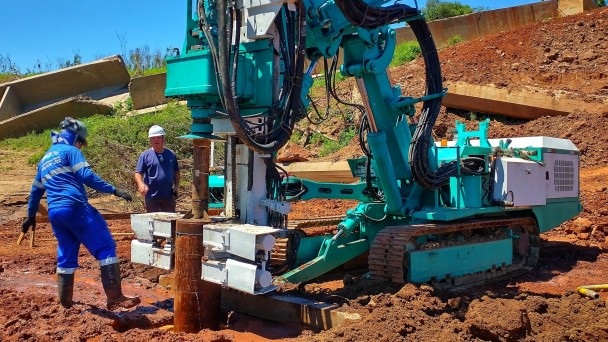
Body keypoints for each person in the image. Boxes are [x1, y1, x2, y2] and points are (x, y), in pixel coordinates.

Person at [21, 117, 140, 310]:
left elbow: (35, 191)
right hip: (74, 206)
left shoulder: (44, 160)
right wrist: (114, 190)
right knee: (105, 246)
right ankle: (115, 296)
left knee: (66, 253)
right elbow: (86, 176)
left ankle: (65, 302)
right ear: (75, 138)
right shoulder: (71, 151)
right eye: (81, 143)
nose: (81, 147)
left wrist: (30, 216)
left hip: (55, 213)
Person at [134, 125, 180, 212]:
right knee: (153, 222)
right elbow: (138, 173)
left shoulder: (171, 154)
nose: (156, 140)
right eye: (153, 138)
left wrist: (176, 186)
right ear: (150, 140)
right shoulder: (145, 155)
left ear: (163, 139)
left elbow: (176, 171)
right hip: (152, 198)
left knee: (169, 222)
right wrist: (140, 184)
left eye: (158, 137)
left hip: (168, 197)